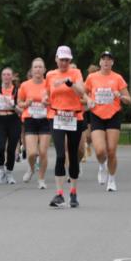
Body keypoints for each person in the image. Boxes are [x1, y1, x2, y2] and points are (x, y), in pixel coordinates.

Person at [45, 46, 87, 208]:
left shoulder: (75, 73)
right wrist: (44, 99)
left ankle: (74, 192)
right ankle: (59, 194)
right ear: (56, 59)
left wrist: (71, 84)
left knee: (73, 154)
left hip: (74, 117)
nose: (64, 62)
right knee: (61, 155)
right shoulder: (50, 75)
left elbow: (82, 92)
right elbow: (47, 94)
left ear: (70, 60)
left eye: (67, 60)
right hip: (56, 116)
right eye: (61, 59)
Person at [85, 51, 131, 191]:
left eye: (109, 60)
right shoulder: (91, 77)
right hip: (97, 116)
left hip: (113, 116)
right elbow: (81, 92)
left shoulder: (118, 78)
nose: (106, 62)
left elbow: (129, 100)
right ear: (100, 62)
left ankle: (111, 179)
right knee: (100, 151)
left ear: (112, 63)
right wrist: (88, 100)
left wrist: (121, 96)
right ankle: (101, 166)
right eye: (103, 59)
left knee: (111, 151)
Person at [18, 58, 52, 190]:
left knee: (43, 152)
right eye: (35, 67)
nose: (38, 69)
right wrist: (26, 104)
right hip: (30, 119)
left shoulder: (49, 85)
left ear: (44, 70)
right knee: (32, 153)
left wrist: (47, 103)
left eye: (40, 67)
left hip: (45, 119)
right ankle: (31, 168)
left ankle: (41, 179)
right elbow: (19, 102)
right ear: (31, 70)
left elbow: (55, 101)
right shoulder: (25, 85)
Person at [0, 68, 21, 184]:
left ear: (12, 77)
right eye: (4, 74)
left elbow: (21, 110)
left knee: (11, 149)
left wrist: (14, 106)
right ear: (1, 76)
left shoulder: (17, 90)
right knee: (0, 147)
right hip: (0, 120)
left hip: (13, 120)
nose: (6, 77)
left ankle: (9, 173)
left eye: (8, 75)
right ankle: (1, 170)